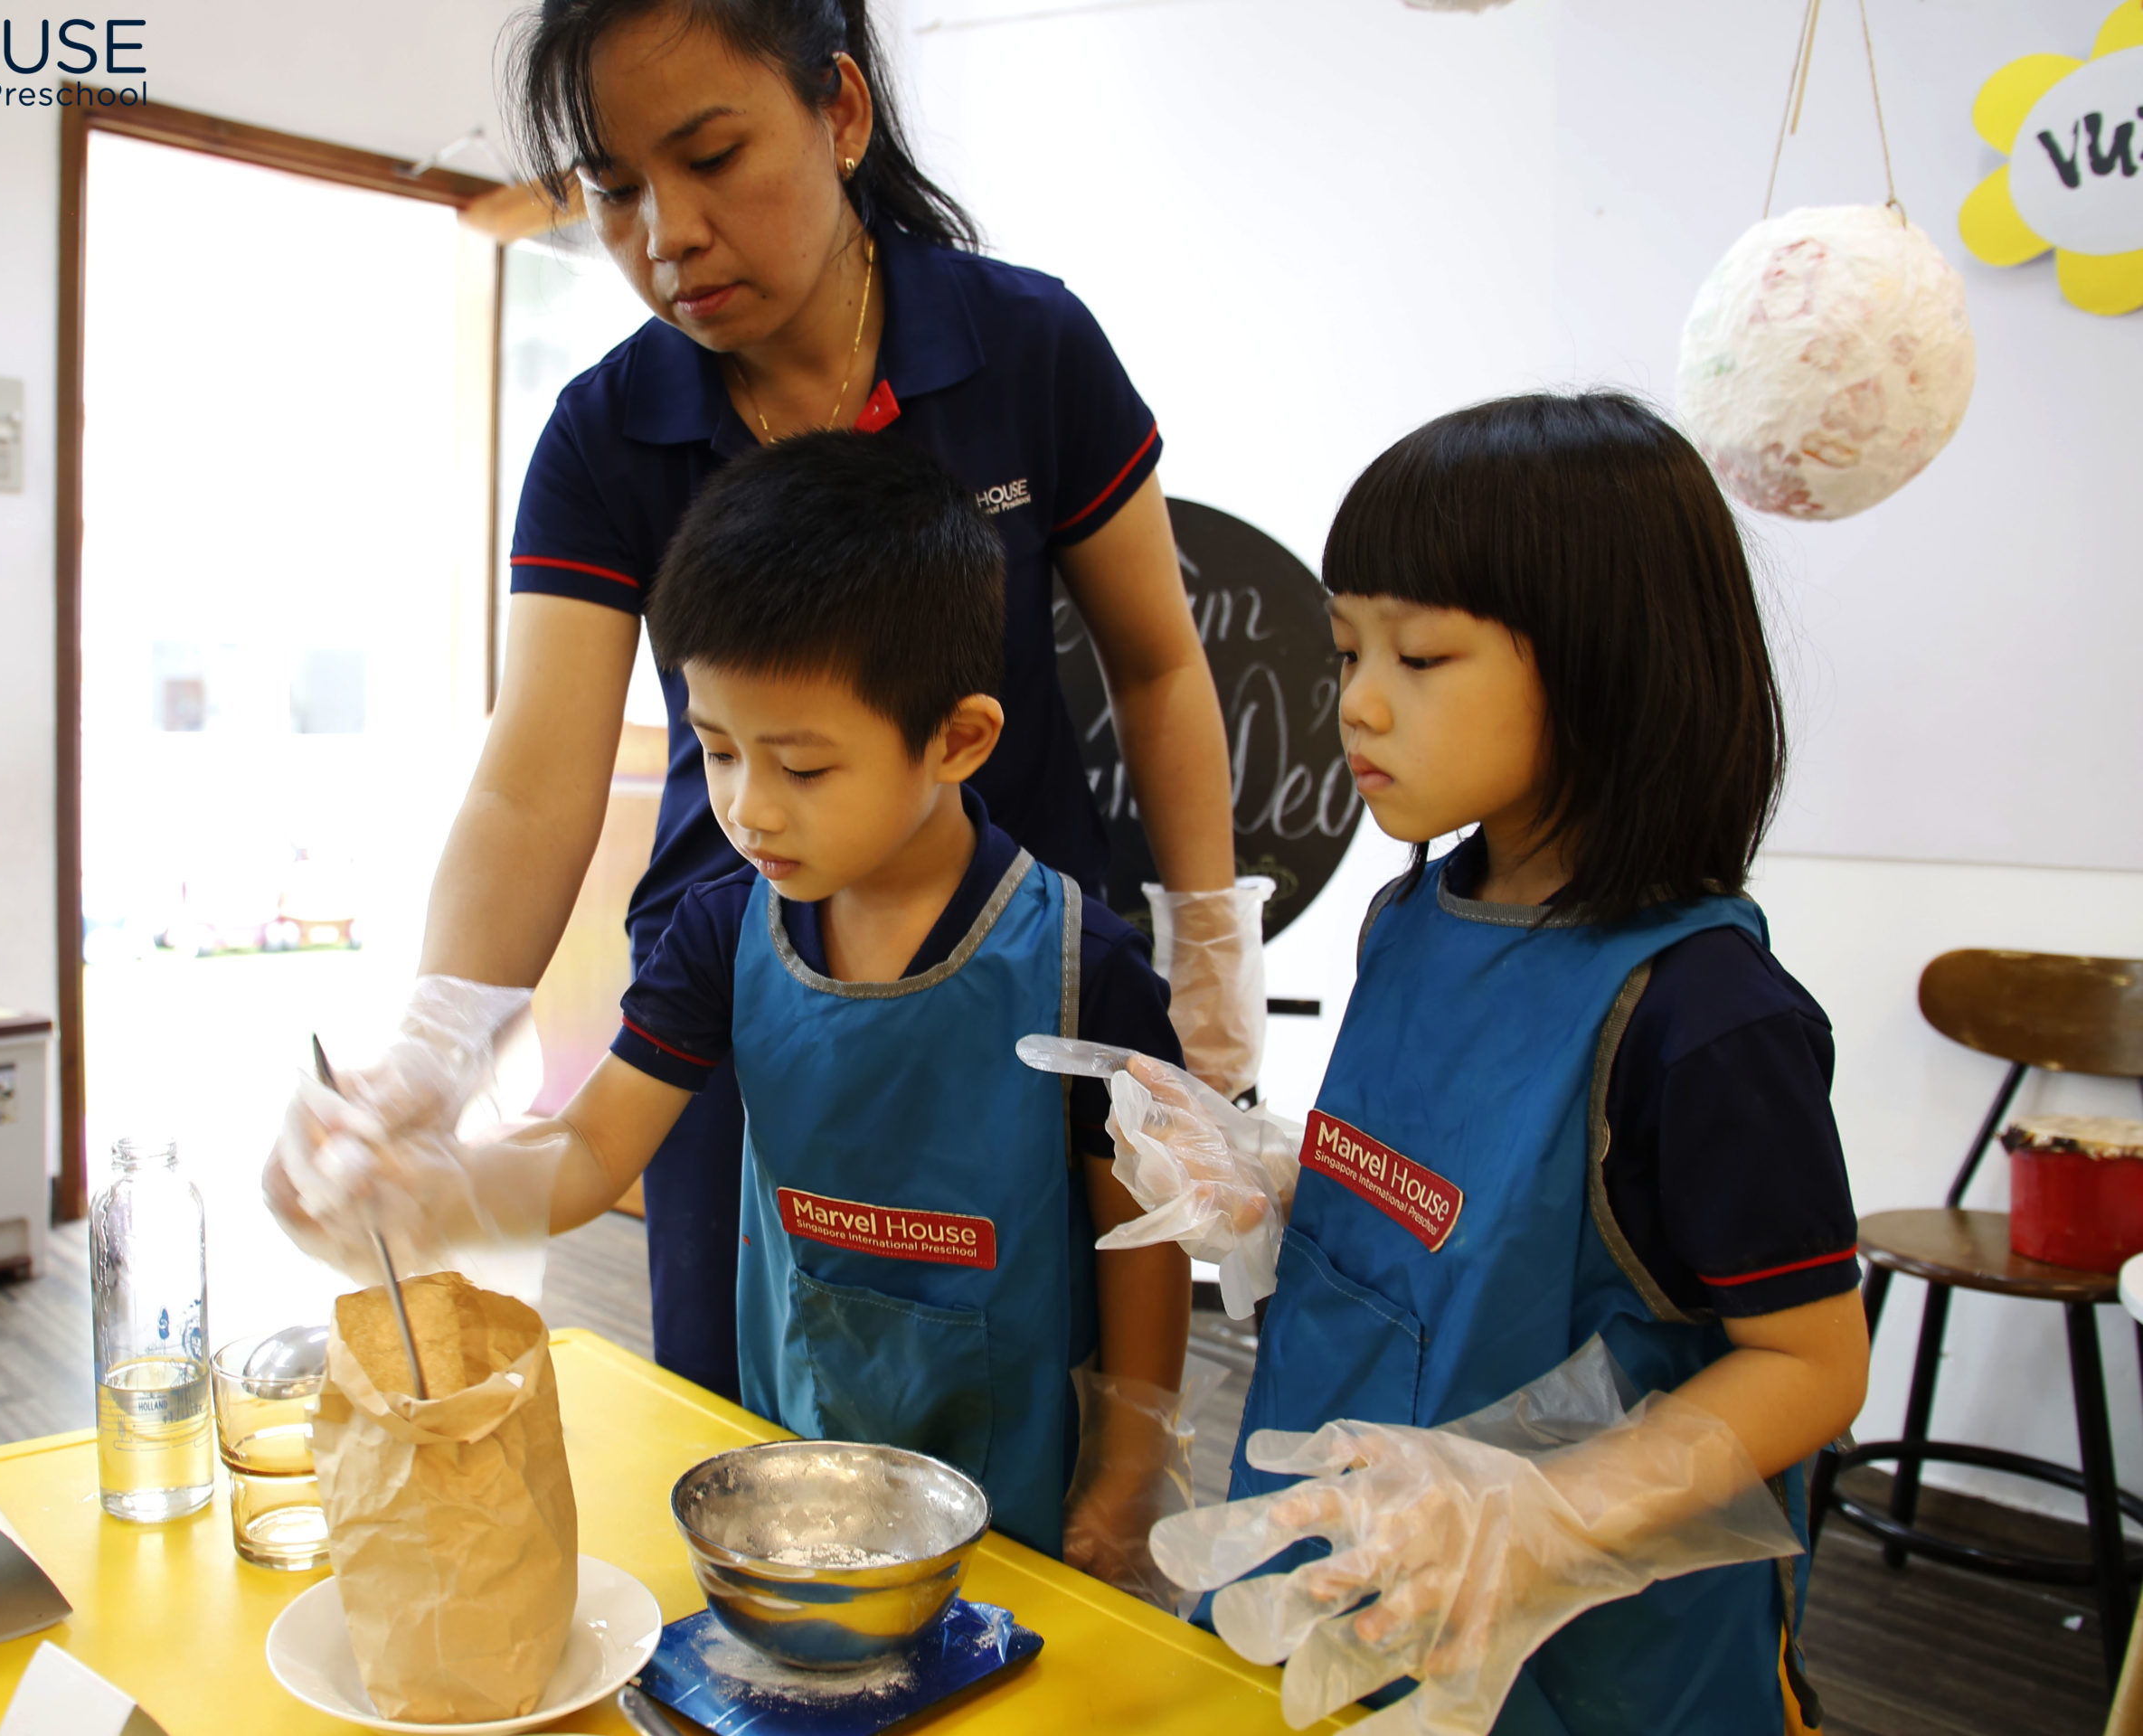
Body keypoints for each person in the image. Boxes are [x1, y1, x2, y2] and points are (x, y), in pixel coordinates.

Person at [284, 0, 1253, 1405]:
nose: (666, 234)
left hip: (1020, 996)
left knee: (1039, 1411)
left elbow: (1158, 665)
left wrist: (1207, 953)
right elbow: (530, 776)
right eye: (615, 191)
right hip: (742, 1003)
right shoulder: (611, 431)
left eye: (713, 156)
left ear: (841, 112)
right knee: (749, 1423)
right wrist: (438, 1044)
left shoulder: (1027, 347)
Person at [274, 434, 1195, 1580]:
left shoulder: (1078, 967)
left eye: (802, 767)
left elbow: (1144, 1242)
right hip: (797, 1481)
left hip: (1021, 1504)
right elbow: (591, 1149)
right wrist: (432, 1189)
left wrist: (1126, 1468)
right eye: (716, 751)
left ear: (956, 740)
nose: (747, 809)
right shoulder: (720, 934)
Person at [1093, 394, 1871, 1733]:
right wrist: (1279, 1186)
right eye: (1345, 651)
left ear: (1604, 664)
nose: (1360, 704)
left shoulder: (1705, 1017)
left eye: (1424, 657)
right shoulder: (1414, 918)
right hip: (1346, 1578)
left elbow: (1810, 1364)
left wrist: (1551, 1512)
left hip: (1576, 1657)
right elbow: (1435, 1214)